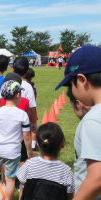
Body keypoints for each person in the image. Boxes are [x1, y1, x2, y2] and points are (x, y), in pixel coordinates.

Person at [55, 46, 101, 200]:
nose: (72, 92)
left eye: (71, 84)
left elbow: (96, 179)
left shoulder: (93, 119)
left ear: (82, 79)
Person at [0, 80, 35, 200]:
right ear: (17, 95)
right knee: (10, 179)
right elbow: (27, 136)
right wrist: (30, 153)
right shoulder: (22, 115)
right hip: (12, 152)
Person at [17, 122, 75, 200]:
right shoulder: (66, 171)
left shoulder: (29, 164)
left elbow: (22, 189)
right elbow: (69, 197)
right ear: (62, 144)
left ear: (38, 144)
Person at [0, 57, 38, 144]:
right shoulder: (28, 86)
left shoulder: (7, 83)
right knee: (22, 144)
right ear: (27, 71)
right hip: (22, 123)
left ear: (13, 69)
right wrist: (34, 122)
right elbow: (32, 107)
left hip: (6, 121)